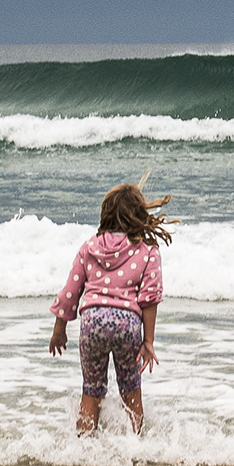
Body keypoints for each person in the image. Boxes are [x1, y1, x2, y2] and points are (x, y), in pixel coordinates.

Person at [48, 181, 176, 434]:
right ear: (139, 215)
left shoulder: (89, 247)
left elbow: (70, 292)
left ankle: (83, 444)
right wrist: (148, 340)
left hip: (92, 323)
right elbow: (149, 298)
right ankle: (134, 443)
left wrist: (59, 329)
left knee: (92, 391)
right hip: (127, 324)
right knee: (130, 390)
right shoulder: (147, 251)